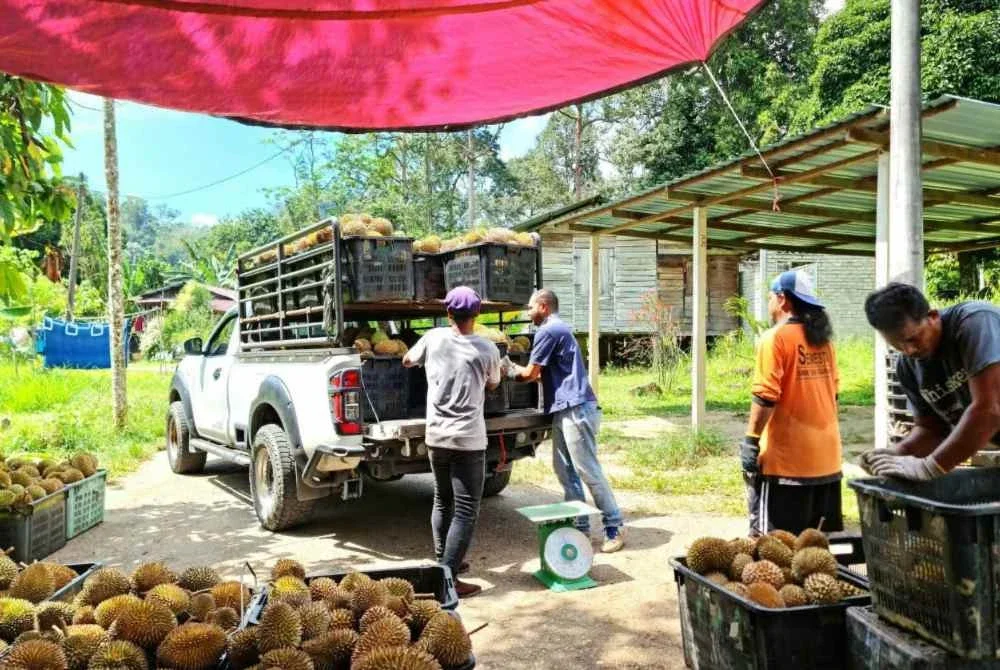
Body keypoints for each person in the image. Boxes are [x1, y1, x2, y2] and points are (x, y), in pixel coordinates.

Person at [504, 288, 626, 552]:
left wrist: (508, 369)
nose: (528, 312)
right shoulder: (557, 329)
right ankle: (579, 525)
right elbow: (540, 375)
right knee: (564, 469)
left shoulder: (548, 331)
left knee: (586, 470)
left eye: (531, 307)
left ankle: (614, 527)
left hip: (577, 408)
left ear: (544, 307)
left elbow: (530, 374)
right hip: (565, 408)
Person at [403, 286, 501, 597]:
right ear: (477, 315)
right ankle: (447, 579)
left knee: (442, 500)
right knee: (466, 510)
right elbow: (494, 383)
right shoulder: (487, 349)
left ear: (448, 314)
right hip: (468, 440)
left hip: (436, 436)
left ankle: (445, 562)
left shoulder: (433, 339)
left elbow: (407, 361)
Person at [860, 283, 1000, 480]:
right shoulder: (907, 366)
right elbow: (932, 429)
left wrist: (931, 467)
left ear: (933, 316)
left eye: (913, 339)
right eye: (897, 345)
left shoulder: (975, 324)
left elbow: (989, 410)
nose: (909, 351)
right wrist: (899, 452)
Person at [740, 270, 843, 536]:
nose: (768, 302)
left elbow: (765, 396)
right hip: (827, 462)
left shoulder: (774, 339)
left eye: (770, 297)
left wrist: (751, 440)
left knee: (773, 550)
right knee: (815, 550)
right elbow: (834, 395)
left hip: (786, 466)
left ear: (782, 299)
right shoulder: (824, 342)